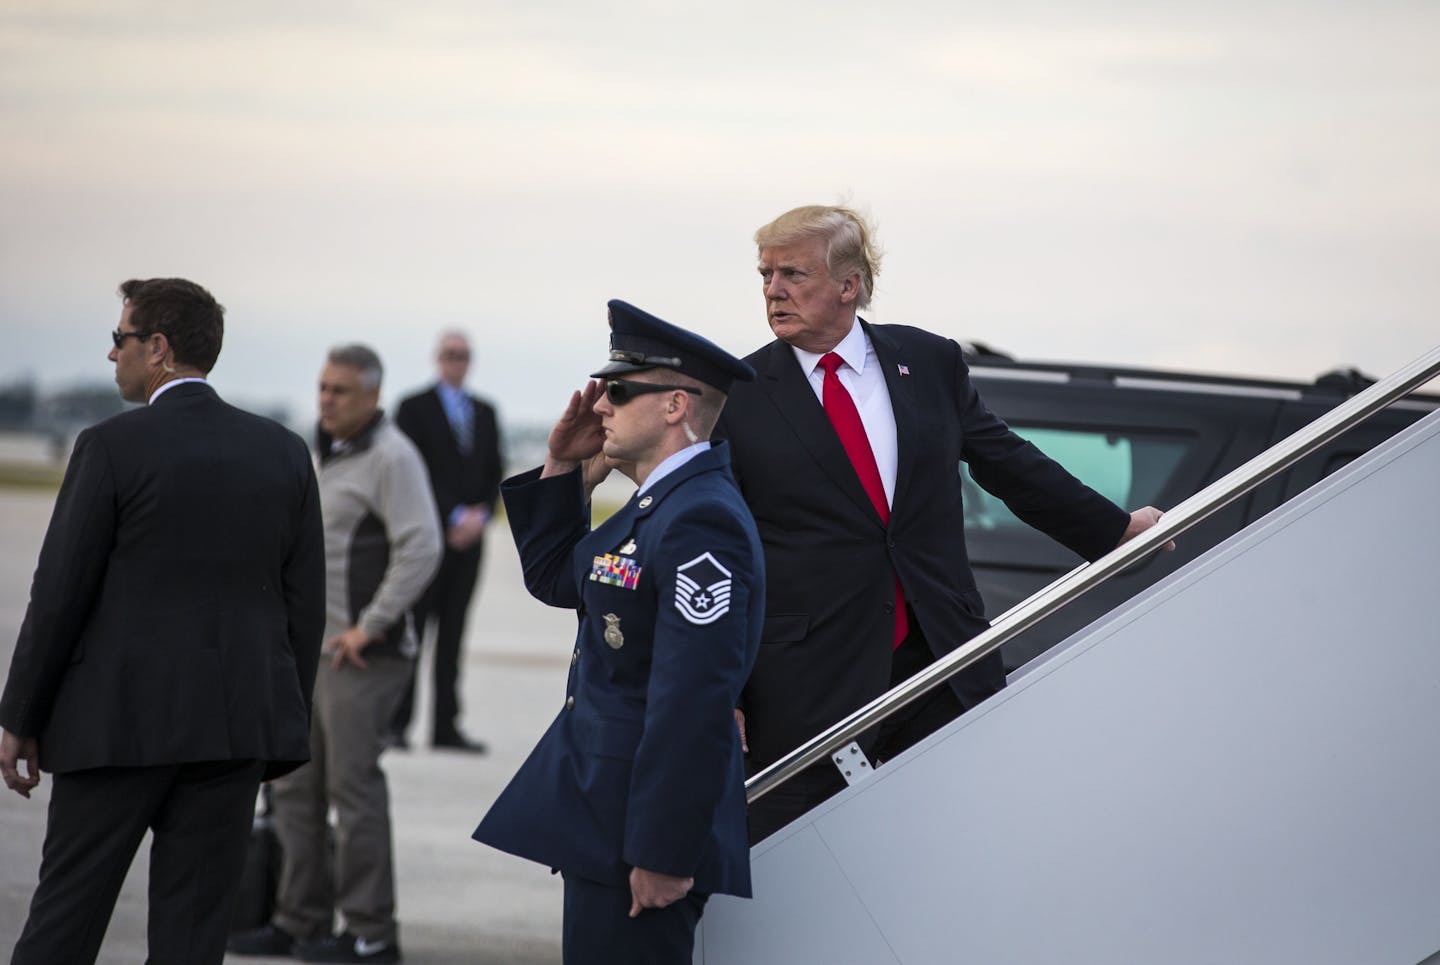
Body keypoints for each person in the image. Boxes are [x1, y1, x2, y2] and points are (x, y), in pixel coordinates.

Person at [716, 205, 1168, 843]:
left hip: (939, 656)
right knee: (795, 854)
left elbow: (1008, 465)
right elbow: (721, 548)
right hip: (804, 680)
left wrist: (1113, 531)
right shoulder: (736, 393)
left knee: (958, 841)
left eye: (793, 273)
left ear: (850, 285)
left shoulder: (927, 362)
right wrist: (722, 684)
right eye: (765, 274)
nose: (773, 290)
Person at [0, 278, 325, 965]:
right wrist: (274, 726)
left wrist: (20, 711)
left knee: (62, 926)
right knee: (191, 944)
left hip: (114, 730)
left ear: (159, 348)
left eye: (120, 338)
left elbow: (59, 593)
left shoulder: (110, 446)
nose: (109, 353)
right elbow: (304, 608)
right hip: (233, 733)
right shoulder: (284, 451)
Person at [473, 300, 764, 964]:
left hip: (644, 832)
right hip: (609, 818)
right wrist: (563, 467)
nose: (600, 404)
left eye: (619, 390)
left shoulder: (700, 520)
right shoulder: (656, 508)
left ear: (674, 407)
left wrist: (663, 850)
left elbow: (693, 699)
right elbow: (559, 579)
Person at [228, 345, 441, 964]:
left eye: (341, 391)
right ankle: (301, 922)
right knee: (293, 790)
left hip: (362, 659)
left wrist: (370, 626)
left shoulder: (392, 458)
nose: (326, 400)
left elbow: (423, 548)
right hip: (307, 655)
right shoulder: (322, 453)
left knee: (353, 791)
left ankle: (373, 934)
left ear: (373, 396)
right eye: (322, 388)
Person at [391, 331, 503, 751]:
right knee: (413, 635)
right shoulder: (413, 409)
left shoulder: (485, 412)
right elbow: (411, 470)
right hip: (428, 539)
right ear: (437, 358)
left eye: (464, 356)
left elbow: (496, 469)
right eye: (450, 355)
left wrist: (481, 514)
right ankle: (397, 724)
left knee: (453, 637)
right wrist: (453, 514)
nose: (457, 362)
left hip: (470, 542)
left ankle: (445, 727)